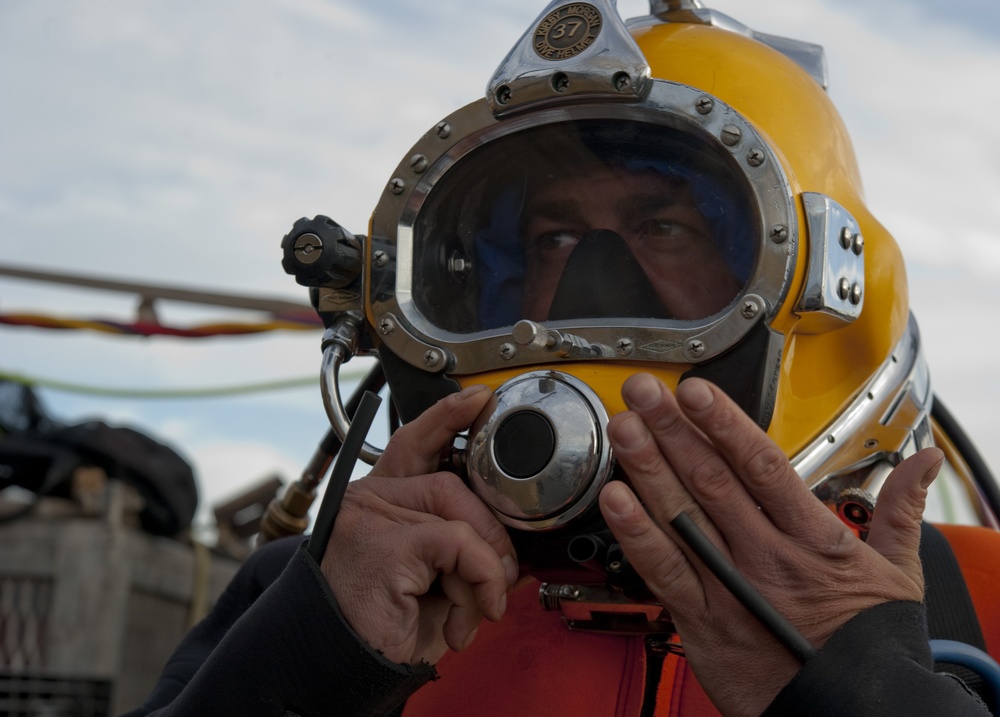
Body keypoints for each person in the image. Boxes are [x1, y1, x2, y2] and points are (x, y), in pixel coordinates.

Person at [125, 1, 1000, 715]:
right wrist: (309, 662)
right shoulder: (327, 586)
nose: (591, 278)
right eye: (553, 236)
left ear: (836, 286)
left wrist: (867, 694)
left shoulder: (983, 597)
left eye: (664, 225)